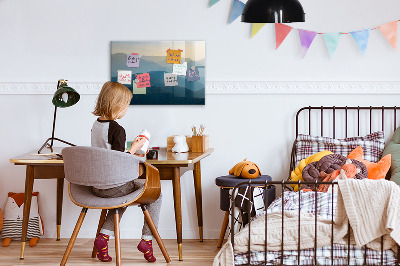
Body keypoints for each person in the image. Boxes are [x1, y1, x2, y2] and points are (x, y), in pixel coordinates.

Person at [91, 81, 161, 263]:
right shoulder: (117, 129)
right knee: (156, 194)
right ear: (117, 105)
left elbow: (108, 154)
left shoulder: (96, 125)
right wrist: (135, 149)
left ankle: (103, 238)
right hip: (114, 186)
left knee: (122, 198)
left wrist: (130, 149)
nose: (126, 109)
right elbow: (118, 161)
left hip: (97, 186)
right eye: (126, 105)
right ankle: (147, 240)